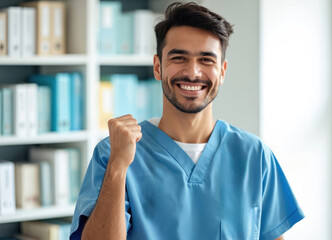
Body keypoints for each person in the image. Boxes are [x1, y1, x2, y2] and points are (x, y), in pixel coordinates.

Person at [70, 2, 304, 240]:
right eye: (179, 58)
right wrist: (118, 167)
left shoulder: (255, 156)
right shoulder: (113, 153)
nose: (193, 72)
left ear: (222, 71)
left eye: (206, 60)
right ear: (158, 67)